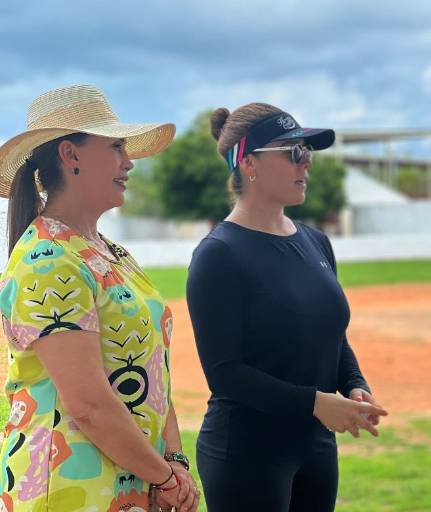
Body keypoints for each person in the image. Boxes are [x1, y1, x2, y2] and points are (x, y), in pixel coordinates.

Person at [0, 85, 199, 511]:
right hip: (72, 492)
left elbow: (154, 371)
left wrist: (174, 463)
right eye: (115, 147)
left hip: (133, 479)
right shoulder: (48, 259)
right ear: (70, 155)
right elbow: (89, 406)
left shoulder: (110, 252)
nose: (128, 162)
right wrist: (165, 477)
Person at [186, 103, 388, 511]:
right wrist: (317, 403)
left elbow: (331, 335)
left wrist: (353, 383)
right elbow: (225, 374)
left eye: (307, 151)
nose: (306, 162)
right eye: (294, 152)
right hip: (246, 454)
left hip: (316, 448)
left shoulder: (316, 242)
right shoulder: (219, 254)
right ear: (249, 163)